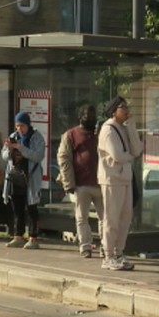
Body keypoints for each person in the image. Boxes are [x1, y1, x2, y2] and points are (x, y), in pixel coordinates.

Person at [97, 96, 143, 271]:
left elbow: (137, 149)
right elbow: (118, 155)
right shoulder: (108, 130)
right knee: (112, 218)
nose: (126, 110)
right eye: (122, 107)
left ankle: (119, 253)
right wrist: (131, 157)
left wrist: (132, 127)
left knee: (125, 217)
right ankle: (108, 255)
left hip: (125, 178)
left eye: (127, 107)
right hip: (111, 179)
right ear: (114, 110)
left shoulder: (123, 128)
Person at [58, 104, 105, 258]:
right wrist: (68, 183)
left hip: (101, 183)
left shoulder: (101, 134)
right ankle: (85, 246)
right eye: (87, 115)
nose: (90, 118)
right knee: (81, 217)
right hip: (81, 183)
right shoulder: (71, 135)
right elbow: (64, 159)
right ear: (80, 117)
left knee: (105, 218)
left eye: (92, 115)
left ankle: (106, 246)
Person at [2, 111, 46, 249]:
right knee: (17, 207)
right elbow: (3, 155)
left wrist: (21, 148)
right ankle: (18, 236)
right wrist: (9, 150)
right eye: (17, 126)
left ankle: (33, 237)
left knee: (32, 207)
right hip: (15, 176)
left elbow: (38, 156)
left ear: (27, 125)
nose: (19, 129)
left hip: (30, 177)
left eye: (22, 126)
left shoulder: (36, 137)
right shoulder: (13, 136)